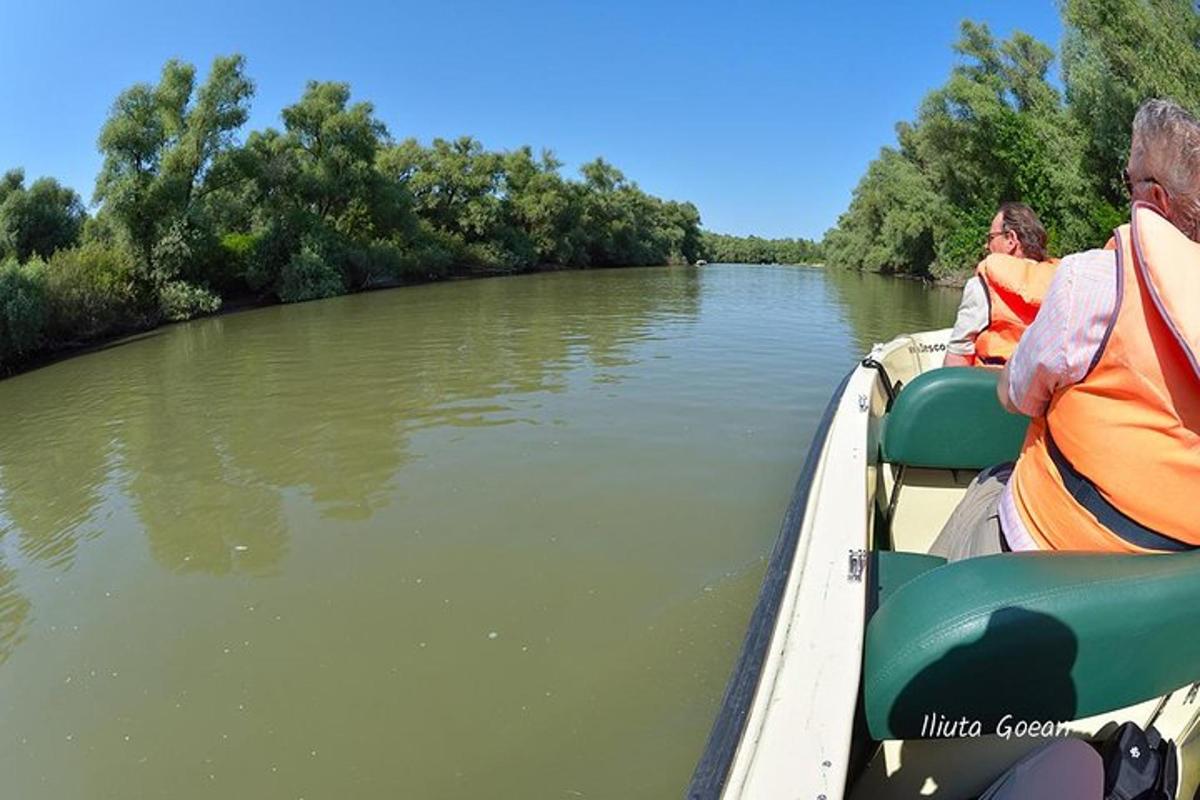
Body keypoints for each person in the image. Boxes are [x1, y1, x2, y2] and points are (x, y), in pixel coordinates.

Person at [930, 98, 1200, 560]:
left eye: (1128, 180)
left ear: (1155, 200)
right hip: (1176, 586)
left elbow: (1014, 395)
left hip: (1050, 550)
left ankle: (921, 610)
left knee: (987, 485)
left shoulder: (1090, 281)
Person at [943, 203, 1059, 368]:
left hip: (990, 388)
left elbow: (957, 359)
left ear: (1011, 240)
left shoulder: (983, 286)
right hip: (1040, 390)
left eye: (991, 238)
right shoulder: (1063, 283)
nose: (986, 246)